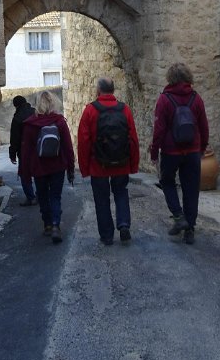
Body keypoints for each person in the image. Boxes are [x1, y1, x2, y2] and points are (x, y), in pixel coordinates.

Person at [150, 62, 209, 245]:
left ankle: (178, 216)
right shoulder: (196, 98)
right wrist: (202, 148)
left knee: (167, 182)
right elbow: (204, 126)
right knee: (191, 189)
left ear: (170, 78)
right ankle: (189, 229)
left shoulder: (164, 99)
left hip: (171, 151)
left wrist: (154, 152)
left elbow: (159, 129)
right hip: (192, 151)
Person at [78, 78, 139, 245]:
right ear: (113, 90)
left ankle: (106, 236)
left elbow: (83, 141)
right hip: (122, 162)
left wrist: (85, 168)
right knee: (121, 193)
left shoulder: (90, 110)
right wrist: (133, 165)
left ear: (98, 90)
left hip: (98, 165)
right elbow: (133, 138)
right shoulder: (125, 109)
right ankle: (124, 224)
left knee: (101, 199)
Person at [19, 91, 75, 244]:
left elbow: (25, 151)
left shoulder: (30, 125)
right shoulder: (60, 122)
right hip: (57, 166)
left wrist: (25, 173)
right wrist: (70, 168)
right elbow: (68, 147)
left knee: (43, 196)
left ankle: (48, 225)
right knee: (55, 196)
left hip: (39, 167)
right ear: (53, 103)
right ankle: (56, 224)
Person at [9, 95, 37, 206]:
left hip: (24, 151)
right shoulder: (35, 112)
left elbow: (14, 138)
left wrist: (12, 154)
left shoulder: (17, 118)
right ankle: (40, 195)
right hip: (38, 149)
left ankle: (31, 197)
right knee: (39, 173)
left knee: (25, 174)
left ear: (16, 106)